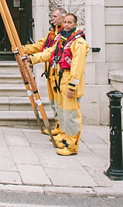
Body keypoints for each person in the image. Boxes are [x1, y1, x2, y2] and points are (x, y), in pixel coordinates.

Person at [25, 13, 88, 156]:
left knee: (71, 114)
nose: (66, 25)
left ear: (75, 24)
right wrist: (32, 59)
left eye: (69, 22)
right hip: (60, 80)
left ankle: (72, 146)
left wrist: (72, 86)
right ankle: (65, 138)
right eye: (65, 22)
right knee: (63, 112)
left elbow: (78, 66)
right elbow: (49, 53)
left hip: (69, 82)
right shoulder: (62, 39)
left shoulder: (78, 43)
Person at [22, 8, 66, 137]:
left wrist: (33, 58)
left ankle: (63, 130)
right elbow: (39, 46)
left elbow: (51, 52)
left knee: (61, 104)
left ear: (63, 18)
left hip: (60, 74)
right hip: (51, 74)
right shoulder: (51, 34)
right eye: (52, 16)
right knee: (54, 103)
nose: (52, 18)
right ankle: (58, 126)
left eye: (55, 16)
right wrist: (22, 49)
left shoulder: (63, 35)